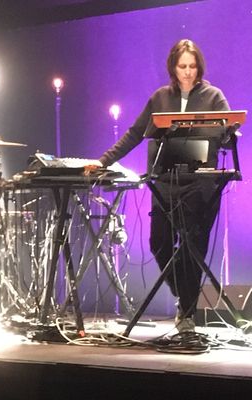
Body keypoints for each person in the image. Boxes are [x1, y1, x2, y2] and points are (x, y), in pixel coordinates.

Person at [87, 39, 230, 334]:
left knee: (192, 247)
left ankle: (186, 314)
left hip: (200, 185)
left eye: (192, 66)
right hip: (165, 183)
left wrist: (230, 134)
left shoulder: (214, 96)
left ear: (199, 66)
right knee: (160, 243)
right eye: (182, 67)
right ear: (173, 68)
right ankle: (186, 296)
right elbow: (135, 133)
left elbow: (227, 134)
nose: (188, 72)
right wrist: (104, 161)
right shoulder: (160, 97)